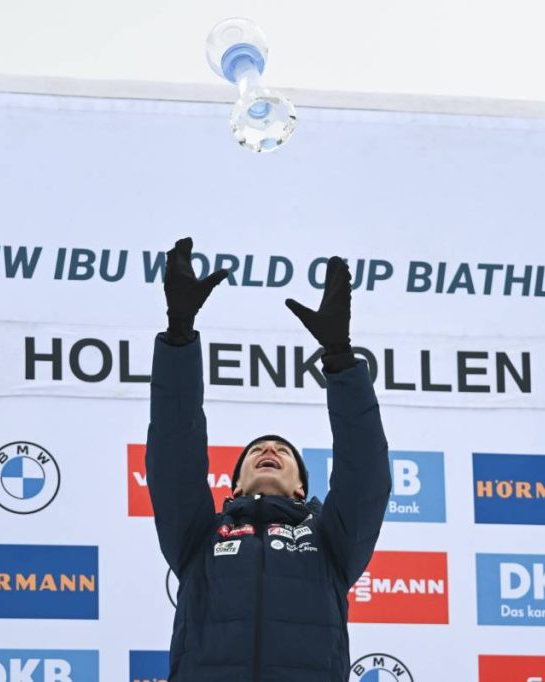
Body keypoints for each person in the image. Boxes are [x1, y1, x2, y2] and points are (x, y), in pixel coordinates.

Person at [145, 237, 391, 682]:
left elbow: (365, 473)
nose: (269, 450)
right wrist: (179, 335)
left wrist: (340, 359)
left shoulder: (331, 540)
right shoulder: (198, 535)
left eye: (282, 450)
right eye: (256, 450)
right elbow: (173, 447)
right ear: (236, 485)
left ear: (301, 487)